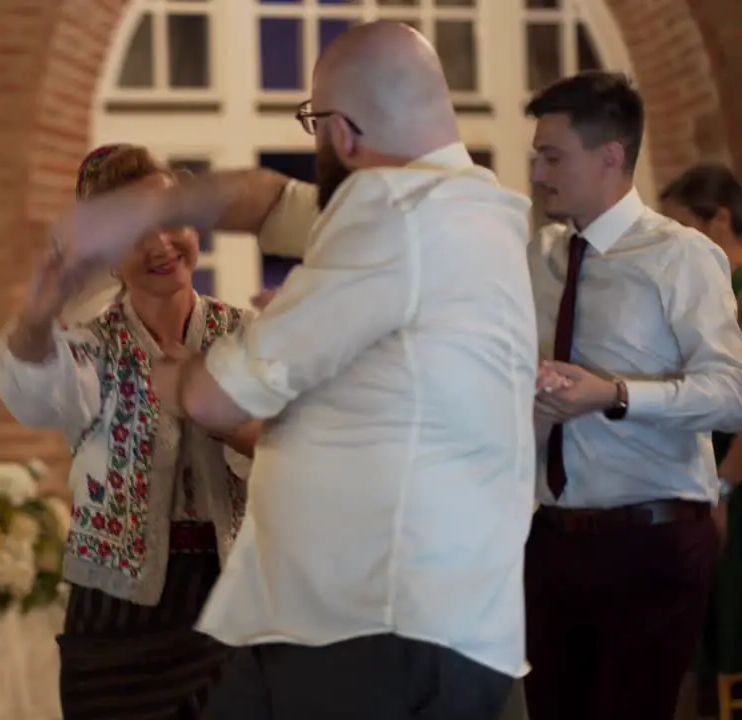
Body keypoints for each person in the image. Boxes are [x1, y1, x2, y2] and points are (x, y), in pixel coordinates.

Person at [47, 21, 538, 719]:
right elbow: (276, 202)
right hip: (435, 616)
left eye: (312, 121)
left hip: (371, 633)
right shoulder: (474, 205)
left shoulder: (389, 219)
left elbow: (220, 397)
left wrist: (178, 377)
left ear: (342, 132)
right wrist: (165, 203)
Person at [0, 143, 256, 719]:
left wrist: (211, 408)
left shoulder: (246, 335)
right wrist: (38, 314)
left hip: (232, 610)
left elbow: (294, 444)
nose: (160, 245)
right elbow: (32, 391)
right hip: (115, 623)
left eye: (168, 222)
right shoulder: (91, 349)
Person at [523, 73, 742, 720]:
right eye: (537, 155)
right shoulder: (537, 257)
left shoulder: (681, 257)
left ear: (610, 156)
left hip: (651, 542)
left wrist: (613, 395)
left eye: (552, 156)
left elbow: (731, 394)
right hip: (549, 542)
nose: (536, 172)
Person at [659, 162, 742, 718]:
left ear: (718, 221)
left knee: (730, 628)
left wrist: (725, 487)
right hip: (703, 478)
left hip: (730, 482)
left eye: (682, 226)